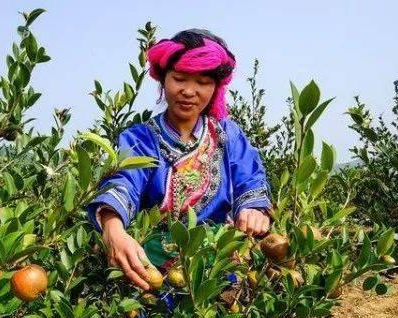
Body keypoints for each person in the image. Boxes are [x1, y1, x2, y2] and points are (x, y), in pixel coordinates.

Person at [86, 29, 273, 312]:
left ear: (215, 88)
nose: (189, 91)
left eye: (202, 81)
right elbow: (123, 182)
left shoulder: (228, 136)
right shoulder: (140, 139)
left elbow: (250, 180)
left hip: (219, 271)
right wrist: (113, 228)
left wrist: (253, 211)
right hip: (151, 272)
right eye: (180, 78)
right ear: (164, 80)